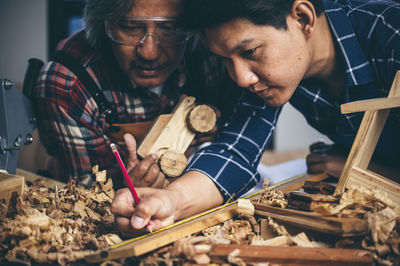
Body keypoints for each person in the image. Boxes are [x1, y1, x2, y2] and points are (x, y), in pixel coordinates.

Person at [111, 0, 400, 233]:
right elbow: (234, 150)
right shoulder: (268, 74)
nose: (241, 78)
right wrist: (171, 201)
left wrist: (365, 171)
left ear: (302, 18)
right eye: (225, 60)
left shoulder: (391, 35)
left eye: (250, 51)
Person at [34, 0, 239, 188]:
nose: (149, 53)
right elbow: (84, 184)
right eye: (130, 28)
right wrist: (124, 183)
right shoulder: (68, 83)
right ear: (104, 24)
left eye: (169, 28)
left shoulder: (212, 53)